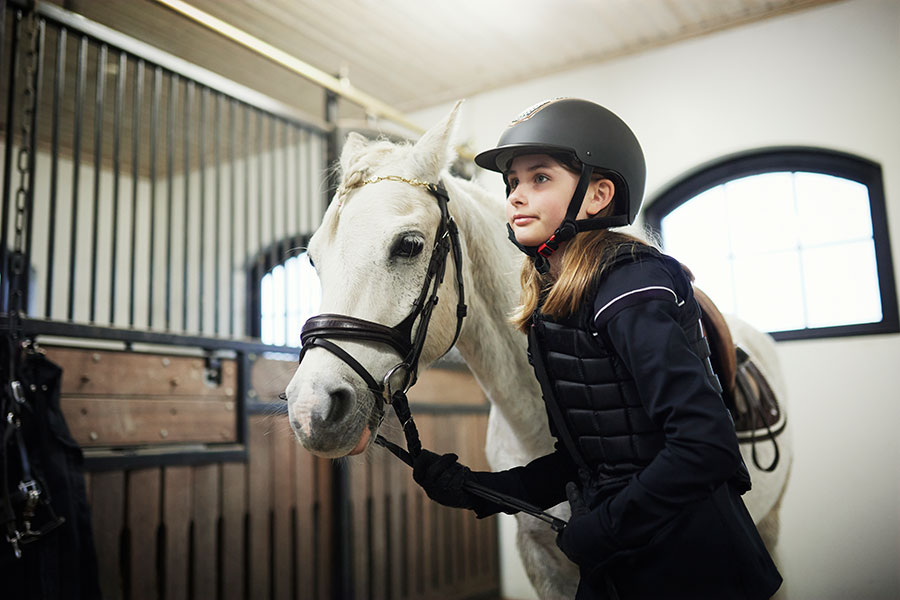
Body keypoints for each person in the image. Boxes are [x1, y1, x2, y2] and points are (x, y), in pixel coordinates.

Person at [411, 98, 782, 599]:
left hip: (692, 563)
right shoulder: (553, 302)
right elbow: (591, 456)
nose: (516, 196)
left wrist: (604, 527)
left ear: (597, 195)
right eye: (512, 183)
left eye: (539, 178)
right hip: (621, 560)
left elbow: (705, 445)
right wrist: (482, 490)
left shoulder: (630, 288)